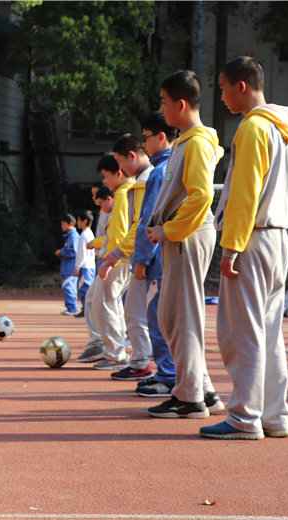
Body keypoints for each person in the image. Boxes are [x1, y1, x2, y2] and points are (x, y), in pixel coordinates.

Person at [202, 56, 288, 440]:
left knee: (242, 331)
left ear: (241, 86)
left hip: (254, 236)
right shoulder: (284, 128)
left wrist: (231, 248)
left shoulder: (253, 128)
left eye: (224, 87)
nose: (223, 96)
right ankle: (275, 415)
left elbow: (244, 194)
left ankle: (244, 416)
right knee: (269, 331)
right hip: (279, 237)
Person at [146, 70, 225, 419]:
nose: (161, 109)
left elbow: (201, 195)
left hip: (188, 236)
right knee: (173, 315)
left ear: (180, 104)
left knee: (181, 315)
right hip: (183, 235)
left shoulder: (196, 143)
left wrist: (170, 230)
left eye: (164, 102)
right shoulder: (187, 141)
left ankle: (190, 396)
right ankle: (201, 390)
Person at [101, 133, 155, 381]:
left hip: (146, 255)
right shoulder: (138, 183)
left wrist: (120, 254)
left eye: (120, 163)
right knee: (135, 312)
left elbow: (141, 224)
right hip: (137, 256)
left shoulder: (147, 181)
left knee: (149, 314)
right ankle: (141, 361)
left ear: (131, 156)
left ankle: (152, 365)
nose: (119, 170)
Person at [132, 112, 178, 397]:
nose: (144, 144)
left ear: (161, 137)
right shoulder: (169, 166)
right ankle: (167, 371)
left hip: (160, 255)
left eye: (146, 138)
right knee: (162, 314)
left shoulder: (160, 172)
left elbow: (150, 218)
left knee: (159, 315)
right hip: (166, 253)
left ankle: (169, 374)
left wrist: (141, 257)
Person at [86, 155, 134, 370]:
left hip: (119, 260)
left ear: (119, 173)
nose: (104, 182)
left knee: (105, 302)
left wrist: (112, 258)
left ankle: (117, 353)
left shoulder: (124, 194)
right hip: (116, 258)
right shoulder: (122, 193)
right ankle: (114, 349)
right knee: (98, 301)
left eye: (106, 176)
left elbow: (122, 232)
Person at [77, 187, 114, 363]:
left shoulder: (119, 201)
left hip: (115, 260)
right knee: (94, 300)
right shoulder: (105, 209)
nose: (93, 198)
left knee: (105, 303)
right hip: (106, 260)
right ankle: (100, 342)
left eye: (95, 195)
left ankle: (112, 348)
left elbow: (116, 236)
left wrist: (97, 243)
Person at [55, 214, 80, 316]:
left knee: (68, 286)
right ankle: (71, 307)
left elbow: (73, 252)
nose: (61, 225)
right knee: (68, 286)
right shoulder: (70, 235)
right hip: (68, 266)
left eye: (63, 223)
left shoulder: (73, 236)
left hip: (70, 267)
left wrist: (61, 252)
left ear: (68, 223)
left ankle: (72, 308)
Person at [74, 210, 96, 318]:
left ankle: (87, 310)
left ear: (85, 221)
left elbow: (81, 253)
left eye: (79, 220)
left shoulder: (83, 235)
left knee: (84, 288)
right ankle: (86, 309)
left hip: (85, 266)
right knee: (87, 287)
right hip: (91, 265)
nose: (77, 222)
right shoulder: (90, 233)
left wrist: (77, 266)